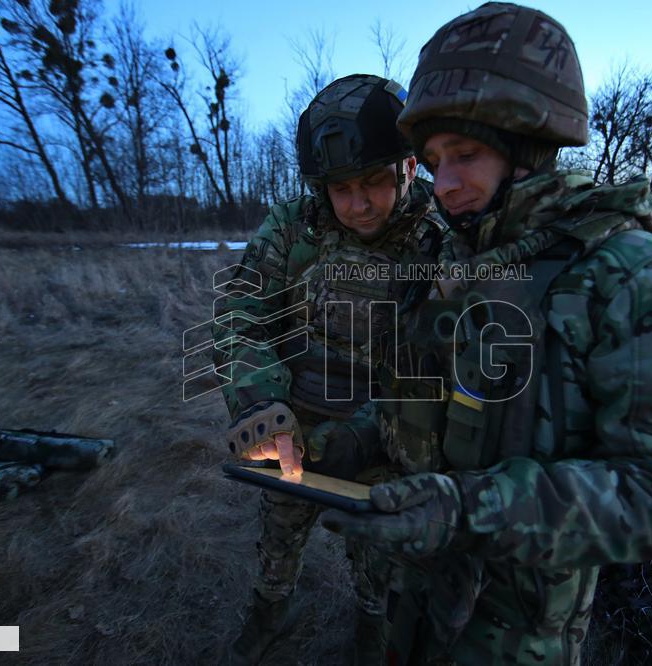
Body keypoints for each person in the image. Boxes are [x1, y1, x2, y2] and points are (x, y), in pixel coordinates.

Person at [320, 4, 652, 664]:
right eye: (432, 161)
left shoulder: (639, 279)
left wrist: (470, 511)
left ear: (532, 146)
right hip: (414, 602)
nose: (445, 184)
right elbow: (419, 397)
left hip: (516, 639)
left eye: (466, 155)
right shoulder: (448, 264)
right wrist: (342, 442)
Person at [214, 74, 448, 665]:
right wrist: (260, 402)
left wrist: (366, 434)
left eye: (374, 183)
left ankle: (372, 626)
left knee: (378, 558)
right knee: (279, 534)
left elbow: (441, 364)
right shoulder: (296, 225)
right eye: (341, 189)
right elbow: (240, 312)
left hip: (389, 434)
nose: (358, 204)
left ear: (410, 168)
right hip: (291, 423)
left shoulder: (439, 242)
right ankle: (271, 610)